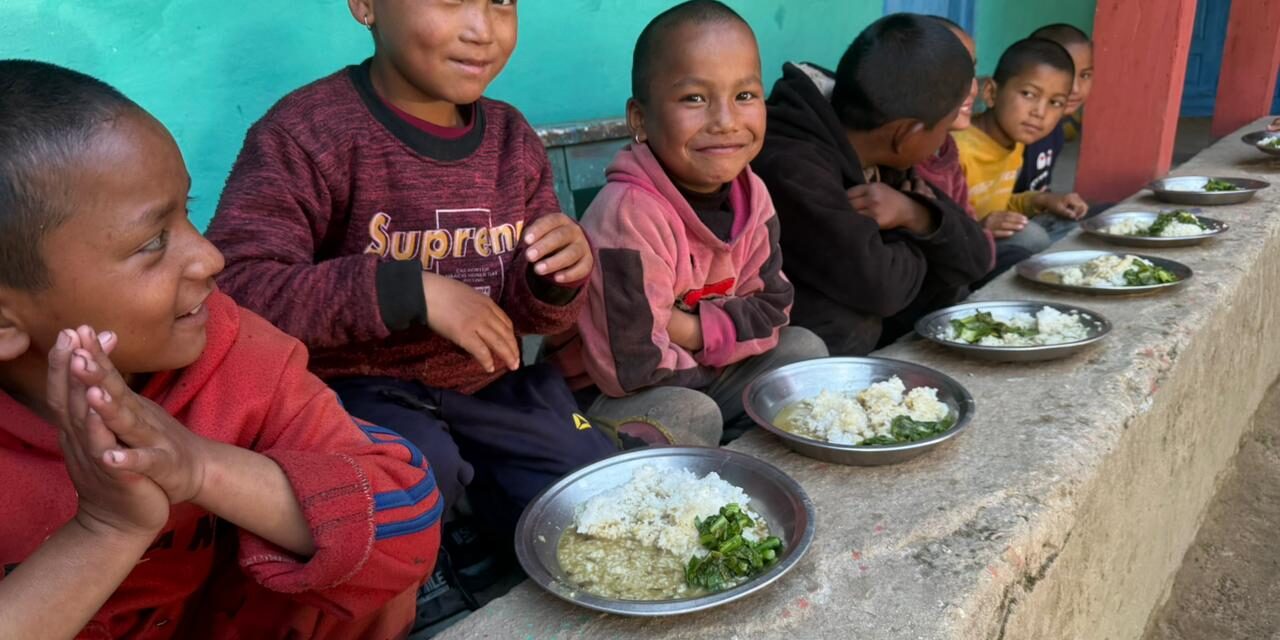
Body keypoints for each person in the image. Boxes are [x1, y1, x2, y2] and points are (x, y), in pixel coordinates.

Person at [203, 0, 616, 628]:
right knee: (413, 471)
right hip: (351, 393)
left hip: (486, 386)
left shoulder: (511, 139)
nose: (482, 29)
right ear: (366, 5)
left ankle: (465, 524)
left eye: (502, 2)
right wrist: (405, 292)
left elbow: (541, 322)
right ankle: (431, 553)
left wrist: (557, 278)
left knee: (580, 491)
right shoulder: (306, 133)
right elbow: (239, 288)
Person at [0, 60, 438, 639]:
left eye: (189, 210)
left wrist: (200, 467)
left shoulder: (229, 351)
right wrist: (107, 530)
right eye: (153, 241)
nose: (211, 258)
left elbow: (407, 523)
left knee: (356, 555)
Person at [546, 0, 828, 446]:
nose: (725, 120)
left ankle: (729, 446)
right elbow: (632, 367)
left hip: (698, 368)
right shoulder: (629, 215)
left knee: (804, 352)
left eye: (745, 96)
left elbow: (774, 309)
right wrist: (725, 342)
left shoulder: (752, 195)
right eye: (694, 98)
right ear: (640, 119)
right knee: (690, 415)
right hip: (601, 399)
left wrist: (690, 328)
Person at [753, 13, 992, 355]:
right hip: (784, 329)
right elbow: (882, 288)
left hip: (864, 286)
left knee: (950, 282)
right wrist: (924, 247)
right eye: (947, 124)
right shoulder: (792, 164)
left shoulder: (881, 142)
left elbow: (975, 257)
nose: (946, 136)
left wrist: (918, 216)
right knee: (850, 322)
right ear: (905, 134)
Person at [953, 37, 1087, 259]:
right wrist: (980, 227)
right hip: (964, 250)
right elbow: (941, 231)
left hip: (991, 236)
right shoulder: (960, 150)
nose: (1040, 112)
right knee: (1032, 238)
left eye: (1055, 103)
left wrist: (1040, 200)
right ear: (991, 93)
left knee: (1076, 223)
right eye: (1028, 94)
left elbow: (1000, 203)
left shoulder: (1014, 142)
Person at [913, 17, 996, 273]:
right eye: (953, 74)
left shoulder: (947, 149)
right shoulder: (904, 157)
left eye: (971, 71)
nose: (971, 88)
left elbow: (975, 236)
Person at [1014, 23, 1095, 198]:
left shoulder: (1055, 130)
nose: (1075, 88)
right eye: (1067, 75)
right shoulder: (1019, 132)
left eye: (1085, 75)